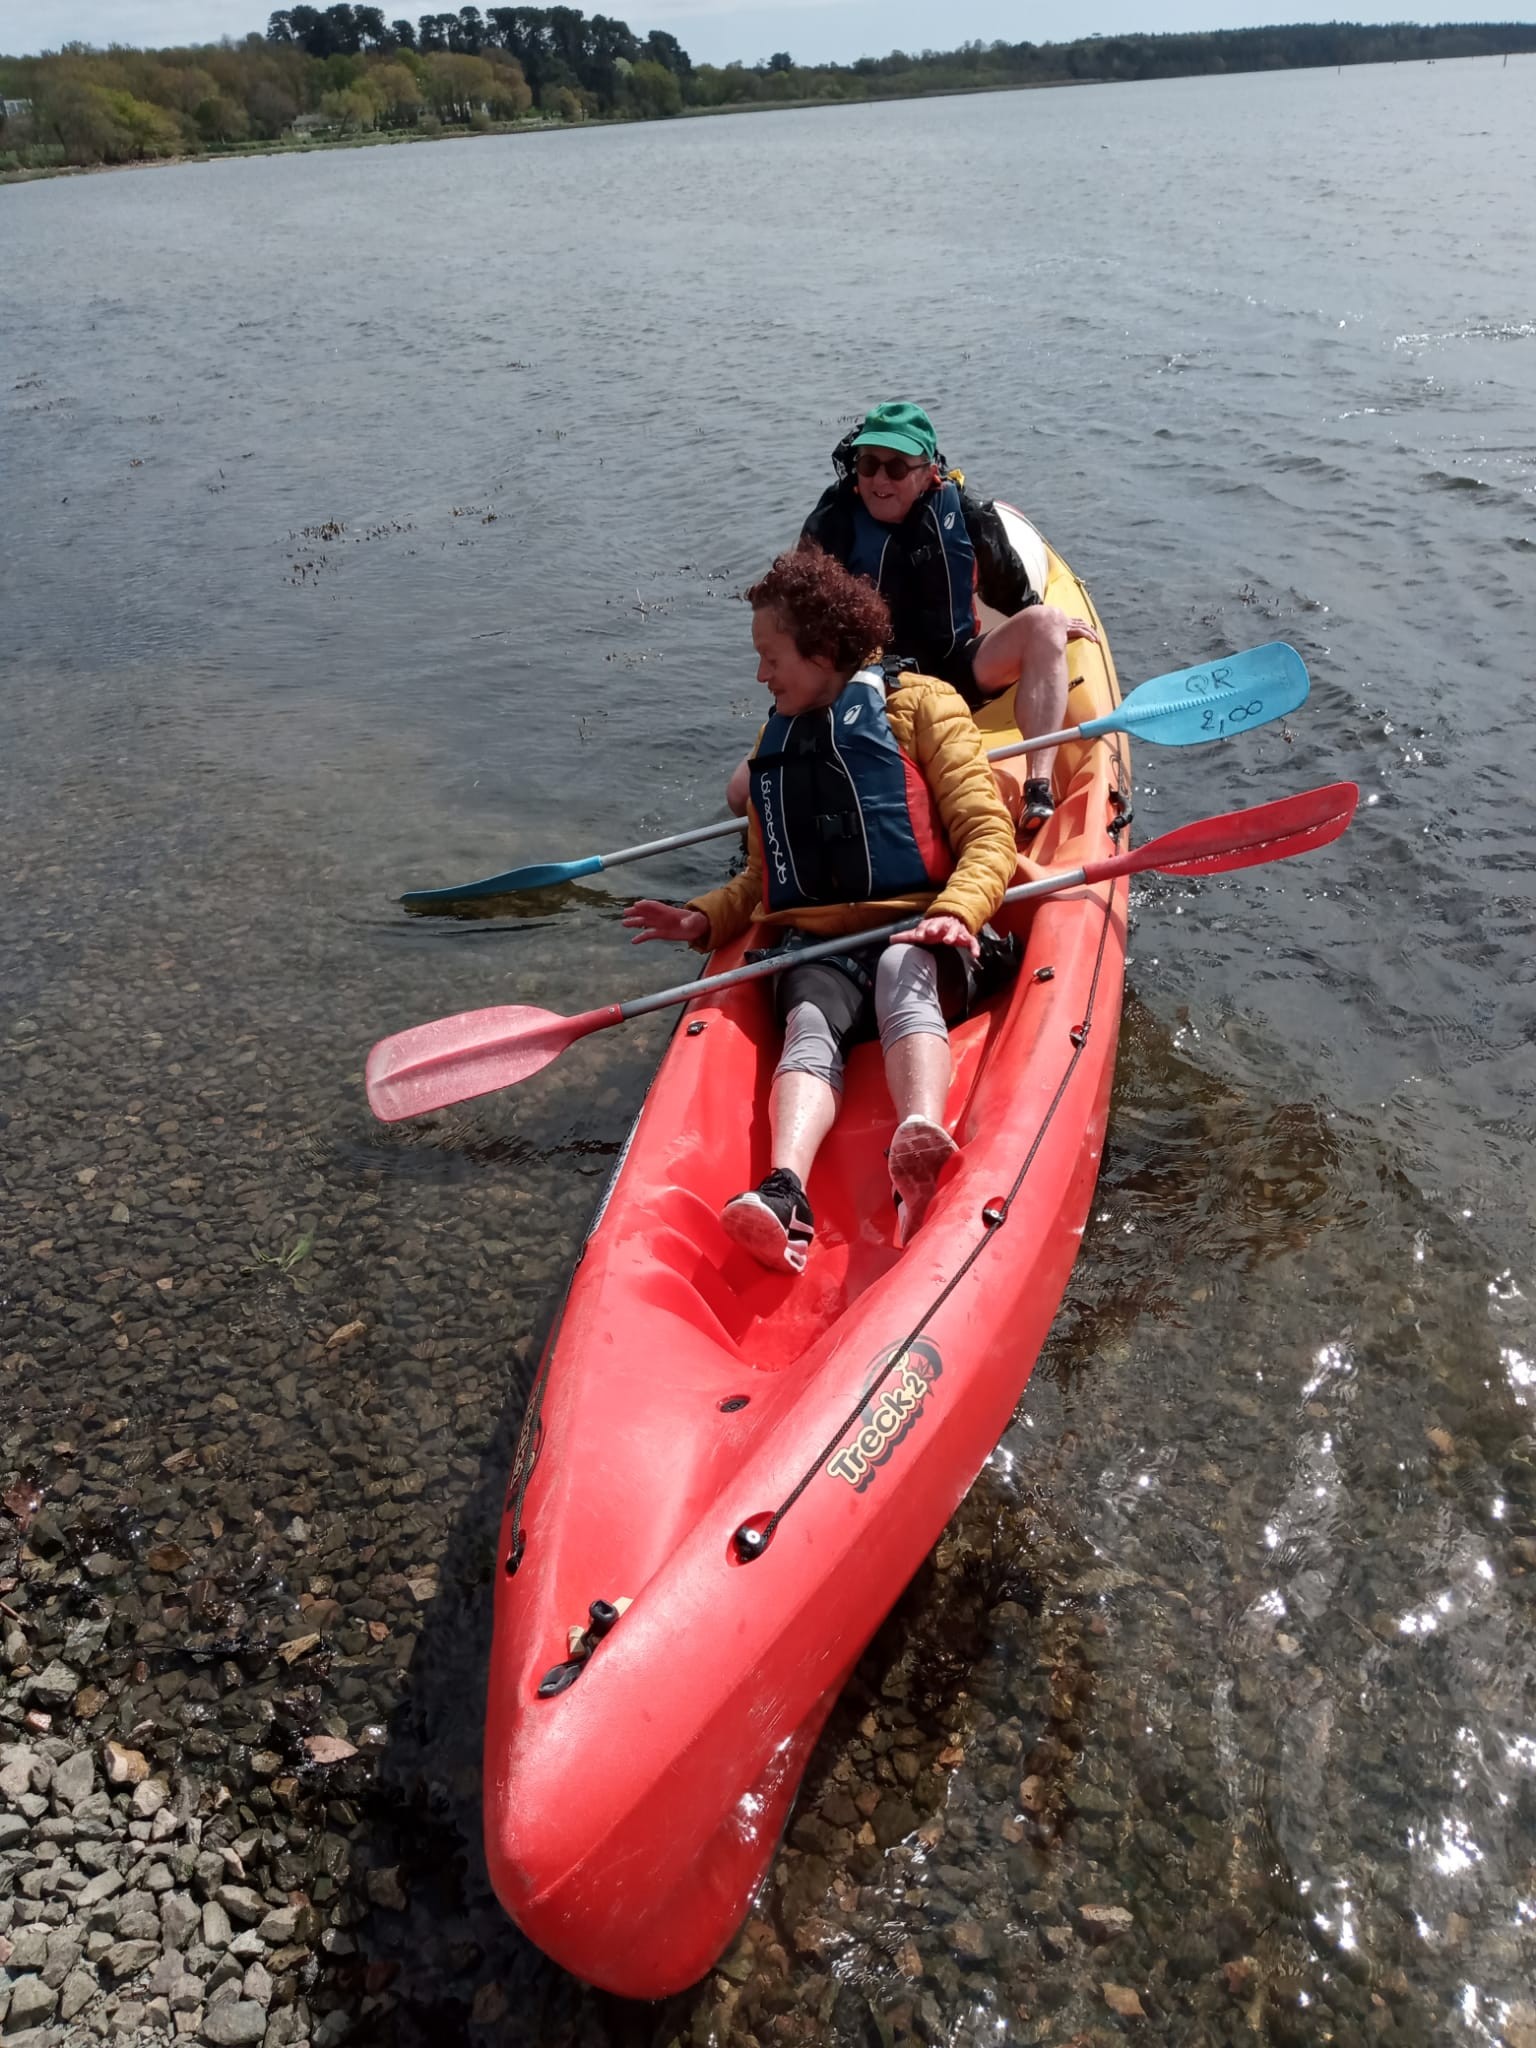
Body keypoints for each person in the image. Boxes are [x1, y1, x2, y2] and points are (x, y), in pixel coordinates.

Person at [623, 547, 1017, 1275]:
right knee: (806, 1013)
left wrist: (958, 910)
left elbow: (989, 834)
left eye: (772, 658)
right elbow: (760, 878)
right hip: (822, 955)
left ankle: (920, 1135)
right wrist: (703, 918)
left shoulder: (921, 706)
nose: (761, 676)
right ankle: (784, 1190)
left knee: (903, 967)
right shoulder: (776, 739)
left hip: (922, 933)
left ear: (825, 650)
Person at [724, 400, 1098, 833]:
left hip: (954, 670)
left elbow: (1014, 592)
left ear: (926, 474)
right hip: (867, 687)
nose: (880, 480)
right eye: (868, 465)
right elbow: (796, 620)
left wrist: (1047, 628)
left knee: (1046, 622)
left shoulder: (966, 516)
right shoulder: (834, 522)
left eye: (896, 469)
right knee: (739, 795)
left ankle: (1037, 789)